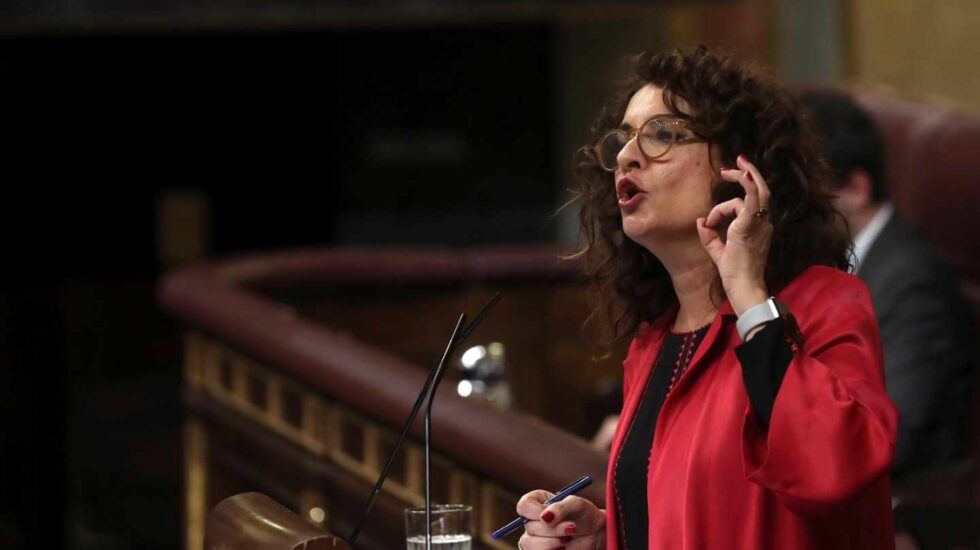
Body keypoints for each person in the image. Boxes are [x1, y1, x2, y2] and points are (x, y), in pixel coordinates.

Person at [515, 47, 898, 549]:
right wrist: (606, 535)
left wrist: (749, 297)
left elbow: (836, 470)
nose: (628, 156)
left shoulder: (823, 304)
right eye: (625, 139)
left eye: (662, 135)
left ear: (739, 168)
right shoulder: (653, 344)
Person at [799, 89, 974, 478]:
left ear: (856, 189)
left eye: (803, 193)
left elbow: (893, 438)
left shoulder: (912, 283)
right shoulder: (817, 266)